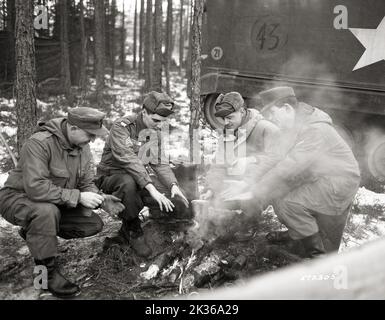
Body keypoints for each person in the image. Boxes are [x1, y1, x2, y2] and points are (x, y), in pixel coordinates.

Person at [0, 107, 125, 298]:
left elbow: (86, 182)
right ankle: (45, 276)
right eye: (89, 134)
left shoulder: (83, 147)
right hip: (17, 199)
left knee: (92, 224)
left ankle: (35, 233)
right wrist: (79, 197)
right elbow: (36, 188)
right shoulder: (39, 143)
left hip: (53, 203)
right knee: (45, 212)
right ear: (73, 128)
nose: (92, 140)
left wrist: (99, 199)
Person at [223, 87, 361, 258]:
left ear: (287, 108)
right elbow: (274, 157)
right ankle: (298, 234)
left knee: (287, 203)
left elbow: (288, 167)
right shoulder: (293, 125)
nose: (271, 120)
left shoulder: (315, 130)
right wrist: (247, 182)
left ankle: (317, 255)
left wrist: (255, 192)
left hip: (338, 181)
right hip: (316, 175)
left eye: (273, 114)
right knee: (276, 191)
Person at [96, 91, 189, 258]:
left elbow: (160, 163)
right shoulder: (122, 127)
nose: (159, 125)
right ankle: (133, 230)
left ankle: (157, 220)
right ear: (144, 112)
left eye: (163, 122)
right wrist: (151, 188)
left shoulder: (155, 133)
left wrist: (173, 185)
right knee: (128, 184)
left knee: (176, 194)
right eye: (155, 120)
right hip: (112, 177)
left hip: (139, 178)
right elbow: (128, 160)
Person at [201, 91, 280, 211]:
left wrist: (247, 181)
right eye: (223, 118)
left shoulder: (267, 129)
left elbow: (276, 161)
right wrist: (211, 188)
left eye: (229, 117)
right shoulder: (227, 134)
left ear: (242, 112)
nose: (226, 122)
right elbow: (219, 165)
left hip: (261, 189)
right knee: (214, 206)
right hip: (236, 188)